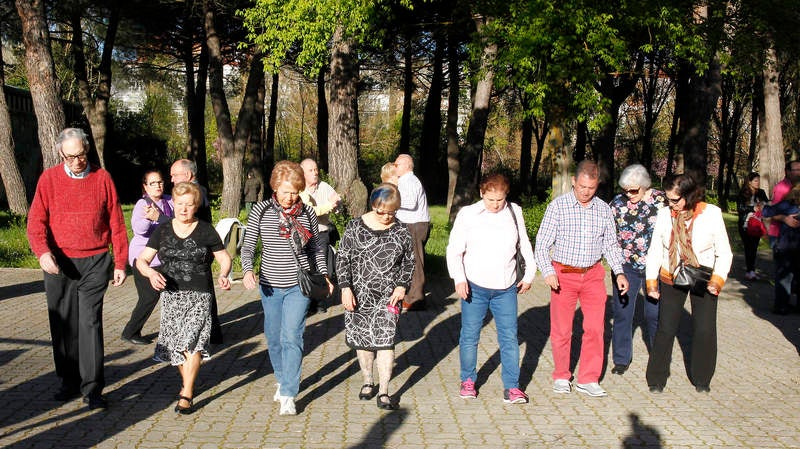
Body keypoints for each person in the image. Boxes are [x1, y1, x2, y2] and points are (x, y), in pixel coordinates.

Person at [26, 127, 128, 410]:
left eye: (81, 155)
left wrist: (120, 262)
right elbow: (36, 222)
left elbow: (116, 223)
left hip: (95, 260)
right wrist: (42, 253)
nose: (77, 161)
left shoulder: (102, 178)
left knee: (89, 323)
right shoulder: (48, 179)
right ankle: (68, 380)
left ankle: (93, 387)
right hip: (59, 262)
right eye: (70, 157)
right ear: (61, 154)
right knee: (63, 323)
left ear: (87, 150)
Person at [240, 160, 332, 416]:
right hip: (270, 285)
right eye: (285, 191)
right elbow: (248, 246)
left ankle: (290, 393)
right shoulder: (261, 210)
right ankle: (281, 379)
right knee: (274, 337)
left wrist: (323, 274)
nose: (290, 198)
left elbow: (316, 248)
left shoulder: (308, 213)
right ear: (275, 187)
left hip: (297, 285)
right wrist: (248, 270)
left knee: (292, 335)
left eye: (294, 192)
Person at [533, 160, 629, 398]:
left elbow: (610, 244)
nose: (586, 192)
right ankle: (562, 375)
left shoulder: (604, 209)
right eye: (582, 186)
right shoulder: (558, 207)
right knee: (562, 329)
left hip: (593, 274)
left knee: (595, 329)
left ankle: (588, 378)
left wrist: (619, 272)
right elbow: (542, 244)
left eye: (592, 188)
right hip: (563, 274)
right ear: (574, 181)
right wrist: (547, 271)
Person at [136, 182, 232, 414]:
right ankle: (188, 384)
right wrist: (150, 273)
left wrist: (224, 274)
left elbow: (224, 258)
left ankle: (186, 393)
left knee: (191, 341)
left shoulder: (206, 230)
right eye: (180, 204)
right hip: (171, 296)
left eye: (189, 205)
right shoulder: (163, 230)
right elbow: (142, 260)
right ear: (174, 204)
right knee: (177, 348)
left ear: (196, 206)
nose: (184, 209)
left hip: (199, 295)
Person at [446, 173, 536, 404]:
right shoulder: (468, 214)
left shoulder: (515, 211)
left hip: (506, 287)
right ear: (482, 194)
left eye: (500, 200)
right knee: (469, 336)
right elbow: (454, 249)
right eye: (491, 200)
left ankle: (512, 387)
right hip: (475, 285)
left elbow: (524, 243)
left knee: (509, 337)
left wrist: (529, 274)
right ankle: (468, 381)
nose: (496, 205)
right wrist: (459, 278)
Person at [645, 174, 732, 394]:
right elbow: (656, 249)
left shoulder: (711, 214)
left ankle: (702, 378)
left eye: (675, 200)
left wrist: (717, 281)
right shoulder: (665, 214)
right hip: (671, 276)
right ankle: (656, 378)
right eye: (668, 199)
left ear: (690, 195)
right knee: (666, 328)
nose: (671, 204)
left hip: (703, 278)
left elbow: (725, 252)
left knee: (704, 329)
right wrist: (651, 282)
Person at [338, 183, 414, 410]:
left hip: (388, 297)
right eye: (383, 212)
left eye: (393, 212)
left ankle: (384, 391)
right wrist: (345, 287)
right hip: (358, 294)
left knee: (385, 341)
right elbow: (342, 258)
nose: (388, 217)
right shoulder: (354, 227)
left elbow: (410, 262)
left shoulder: (402, 230)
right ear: (373, 205)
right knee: (363, 341)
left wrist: (402, 286)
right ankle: (367, 381)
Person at [607, 164, 666, 375]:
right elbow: (607, 233)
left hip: (654, 267)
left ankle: (658, 357)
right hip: (626, 266)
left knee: (654, 313)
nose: (629, 194)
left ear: (644, 186)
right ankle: (621, 359)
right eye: (626, 190)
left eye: (634, 190)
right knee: (623, 313)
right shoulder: (617, 203)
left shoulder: (661, 201)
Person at [169, 158, 222, 343]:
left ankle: (206, 331)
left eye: (175, 175)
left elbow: (185, 221)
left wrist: (159, 218)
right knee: (205, 288)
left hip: (198, 247)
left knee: (201, 289)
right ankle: (213, 331)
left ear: (188, 175)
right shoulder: (200, 188)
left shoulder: (195, 192)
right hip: (201, 246)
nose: (172, 179)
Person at [121, 169, 174, 345]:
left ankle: (176, 329)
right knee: (149, 296)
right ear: (145, 186)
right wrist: (148, 218)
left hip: (165, 258)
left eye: (160, 182)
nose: (158, 186)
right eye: (153, 183)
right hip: (144, 258)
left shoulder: (169, 200)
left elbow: (176, 224)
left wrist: (159, 217)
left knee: (174, 291)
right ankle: (130, 332)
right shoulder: (142, 204)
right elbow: (139, 230)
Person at [299, 158, 342, 314]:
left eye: (316, 169)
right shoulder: (299, 190)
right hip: (303, 234)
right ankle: (307, 301)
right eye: (310, 170)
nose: (315, 173)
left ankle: (320, 302)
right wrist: (330, 205)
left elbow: (337, 203)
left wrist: (336, 203)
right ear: (303, 173)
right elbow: (311, 212)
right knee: (306, 267)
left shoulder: (324, 186)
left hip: (321, 233)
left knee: (320, 267)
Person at [393, 154, 430, 310]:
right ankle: (409, 296)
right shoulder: (404, 181)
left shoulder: (410, 181)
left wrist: (392, 198)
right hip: (409, 224)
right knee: (408, 261)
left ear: (407, 165)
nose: (395, 167)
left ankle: (416, 299)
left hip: (414, 225)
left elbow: (411, 202)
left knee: (415, 261)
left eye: (397, 164)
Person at [765, 160, 800, 314]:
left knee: (792, 273)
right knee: (784, 273)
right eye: (796, 169)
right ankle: (781, 305)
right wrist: (785, 218)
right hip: (780, 237)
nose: (799, 172)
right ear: (788, 171)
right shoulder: (781, 189)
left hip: (792, 242)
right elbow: (769, 212)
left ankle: (786, 303)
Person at [736, 172, 769, 281]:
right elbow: (740, 209)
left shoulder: (761, 193)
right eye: (755, 180)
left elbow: (767, 205)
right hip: (745, 223)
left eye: (759, 180)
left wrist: (763, 205)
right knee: (748, 246)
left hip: (757, 223)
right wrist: (752, 208)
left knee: (754, 247)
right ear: (749, 182)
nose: (758, 183)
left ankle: (751, 270)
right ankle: (749, 270)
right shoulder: (743, 193)